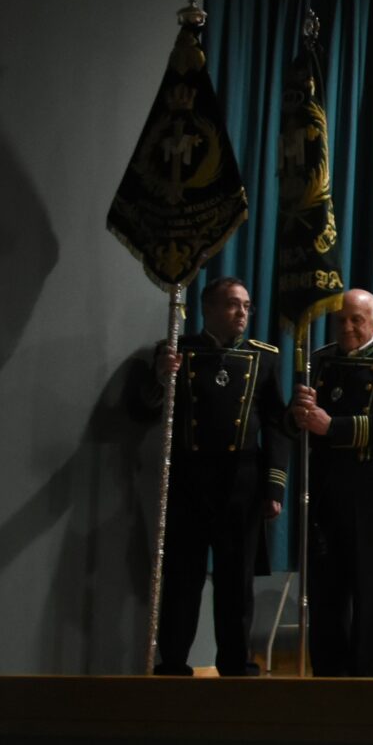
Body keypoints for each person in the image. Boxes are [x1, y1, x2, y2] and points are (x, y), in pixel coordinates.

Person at [137, 275, 289, 676]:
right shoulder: (177, 351)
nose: (242, 313)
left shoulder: (264, 358)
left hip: (242, 482)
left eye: (246, 306)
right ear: (208, 308)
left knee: (236, 580)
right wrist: (160, 377)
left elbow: (277, 425)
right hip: (189, 479)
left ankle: (235, 665)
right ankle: (172, 663)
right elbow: (144, 409)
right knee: (182, 576)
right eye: (233, 304)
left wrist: (274, 485)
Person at [290, 288, 373, 678]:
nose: (346, 327)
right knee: (325, 584)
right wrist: (296, 414)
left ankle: (369, 672)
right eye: (340, 319)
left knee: (372, 584)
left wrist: (332, 426)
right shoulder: (320, 360)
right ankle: (327, 671)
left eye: (356, 320)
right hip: (327, 485)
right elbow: (294, 425)